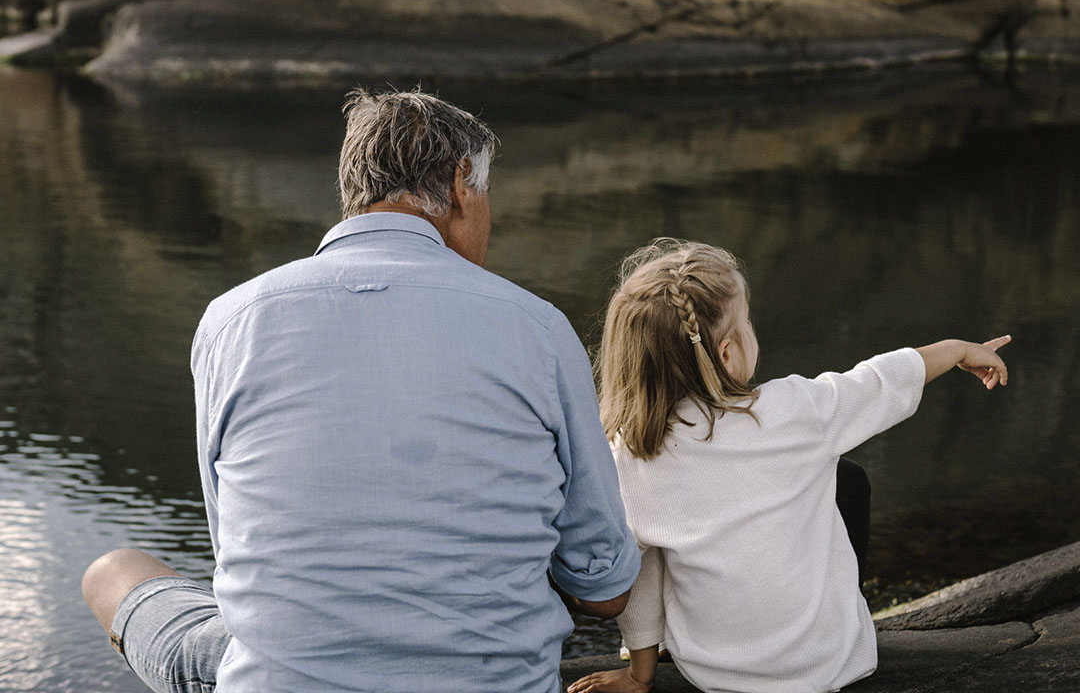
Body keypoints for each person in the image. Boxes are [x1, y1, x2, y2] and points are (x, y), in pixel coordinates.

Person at [82, 89, 640, 693]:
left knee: (112, 572)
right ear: (460, 185)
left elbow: (236, 550)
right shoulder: (538, 327)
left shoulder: (230, 321)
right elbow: (605, 590)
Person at [567, 239, 1011, 693]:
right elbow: (879, 381)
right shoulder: (795, 410)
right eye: (747, 323)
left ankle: (648, 655)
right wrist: (956, 349)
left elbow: (629, 574)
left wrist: (640, 677)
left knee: (643, 542)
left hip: (714, 672)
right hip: (831, 663)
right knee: (843, 480)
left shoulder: (629, 455)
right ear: (725, 354)